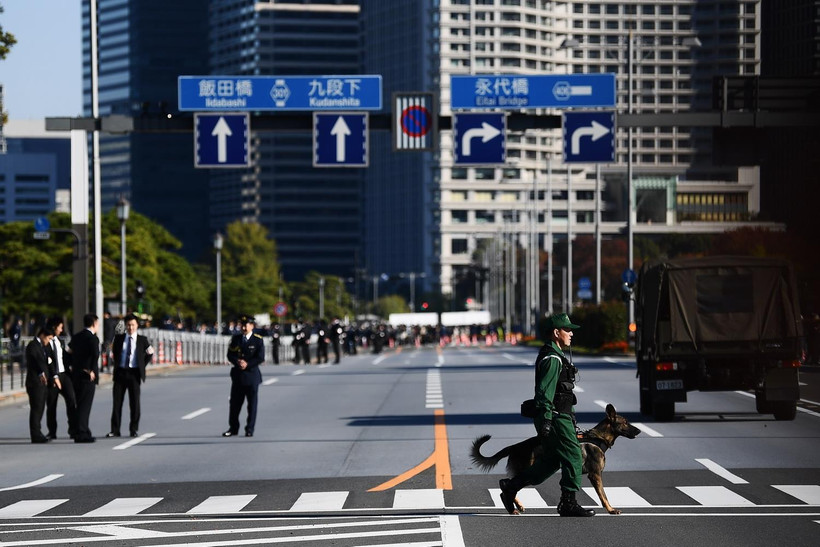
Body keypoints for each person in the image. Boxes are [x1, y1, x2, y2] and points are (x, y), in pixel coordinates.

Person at [499, 312, 595, 517]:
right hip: (556, 417)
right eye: (567, 330)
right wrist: (547, 420)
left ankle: (511, 486)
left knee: (552, 460)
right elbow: (545, 392)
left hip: (556, 416)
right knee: (574, 456)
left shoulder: (555, 354)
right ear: (556, 332)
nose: (571, 334)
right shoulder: (552, 358)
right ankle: (568, 502)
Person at [107, 314, 154, 438]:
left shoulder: (142, 340)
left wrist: (142, 364)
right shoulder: (119, 338)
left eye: (133, 325)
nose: (130, 327)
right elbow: (115, 353)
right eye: (128, 325)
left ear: (137, 325)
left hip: (134, 373)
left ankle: (133, 429)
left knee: (134, 403)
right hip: (120, 373)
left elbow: (150, 352)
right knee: (117, 403)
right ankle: (115, 429)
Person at [223, 314, 265, 437]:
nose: (244, 327)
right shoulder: (236, 339)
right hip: (238, 376)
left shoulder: (257, 339)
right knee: (234, 404)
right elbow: (230, 355)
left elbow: (260, 357)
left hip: (252, 376)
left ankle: (249, 429)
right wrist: (237, 361)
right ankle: (233, 428)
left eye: (246, 325)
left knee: (251, 405)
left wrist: (248, 364)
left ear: (252, 326)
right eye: (242, 325)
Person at [69, 313, 100, 443]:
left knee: (79, 403)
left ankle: (81, 430)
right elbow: (95, 355)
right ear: (94, 323)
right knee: (84, 405)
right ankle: (82, 432)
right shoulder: (93, 339)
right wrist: (91, 370)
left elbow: (69, 352)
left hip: (76, 374)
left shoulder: (76, 337)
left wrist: (73, 366)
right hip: (87, 377)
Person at [45, 317, 77, 440]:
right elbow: (48, 361)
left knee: (71, 400)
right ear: (54, 327)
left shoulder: (59, 340)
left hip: (64, 375)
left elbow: (63, 356)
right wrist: (53, 376)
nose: (61, 329)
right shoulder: (47, 342)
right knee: (51, 404)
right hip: (53, 377)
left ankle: (73, 430)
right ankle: (52, 431)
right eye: (60, 327)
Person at [25, 327, 56, 443]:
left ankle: (38, 432)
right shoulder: (33, 346)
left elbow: (49, 361)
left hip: (43, 383)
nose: (48, 341)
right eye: (48, 338)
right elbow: (33, 361)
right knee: (36, 408)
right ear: (42, 335)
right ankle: (35, 434)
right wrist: (40, 373)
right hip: (35, 382)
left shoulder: (44, 347)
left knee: (41, 407)